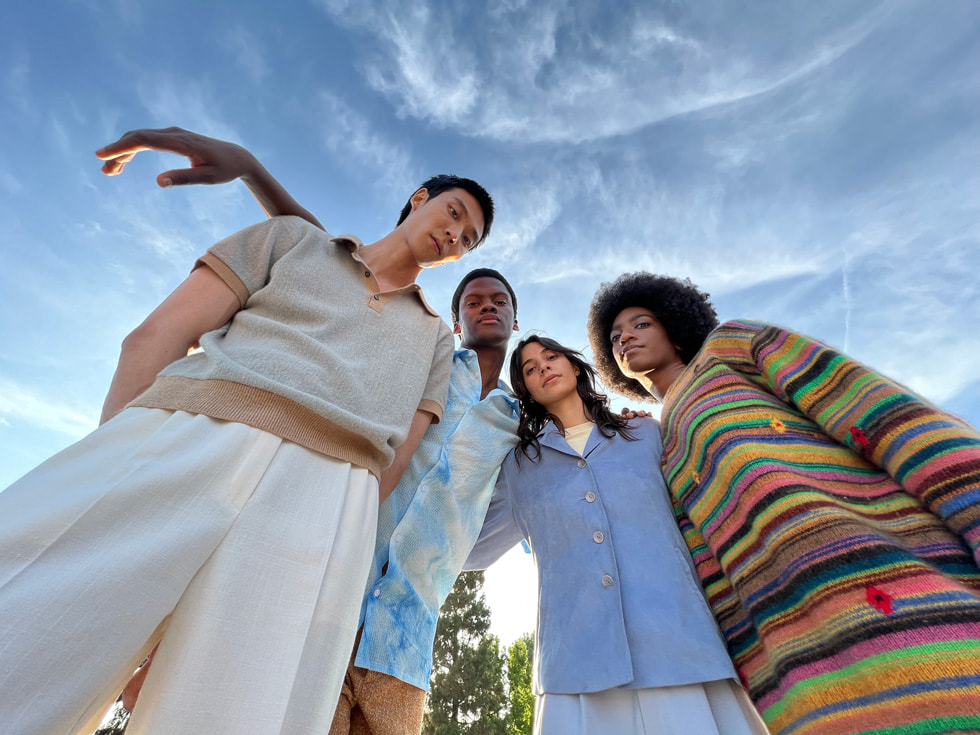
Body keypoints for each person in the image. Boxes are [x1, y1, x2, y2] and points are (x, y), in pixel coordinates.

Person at [0, 129, 494, 735]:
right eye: (454, 212)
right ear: (419, 198)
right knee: (28, 625)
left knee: (234, 714)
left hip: (325, 506)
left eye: (467, 238)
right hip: (194, 434)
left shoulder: (436, 338)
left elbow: (397, 459)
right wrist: (116, 462)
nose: (456, 234)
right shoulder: (292, 241)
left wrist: (342, 530)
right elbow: (153, 338)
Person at [586, 272, 980, 734]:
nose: (625, 338)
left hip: (919, 602)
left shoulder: (731, 348)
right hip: (804, 677)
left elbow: (882, 414)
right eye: (614, 337)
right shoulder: (658, 446)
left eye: (641, 323)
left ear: (673, 323)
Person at [465, 335, 768, 735]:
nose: (543, 367)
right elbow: (472, 548)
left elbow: (709, 504)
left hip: (677, 642)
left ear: (574, 366)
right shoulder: (520, 465)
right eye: (529, 368)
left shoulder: (646, 435)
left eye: (551, 356)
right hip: (575, 661)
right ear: (526, 390)